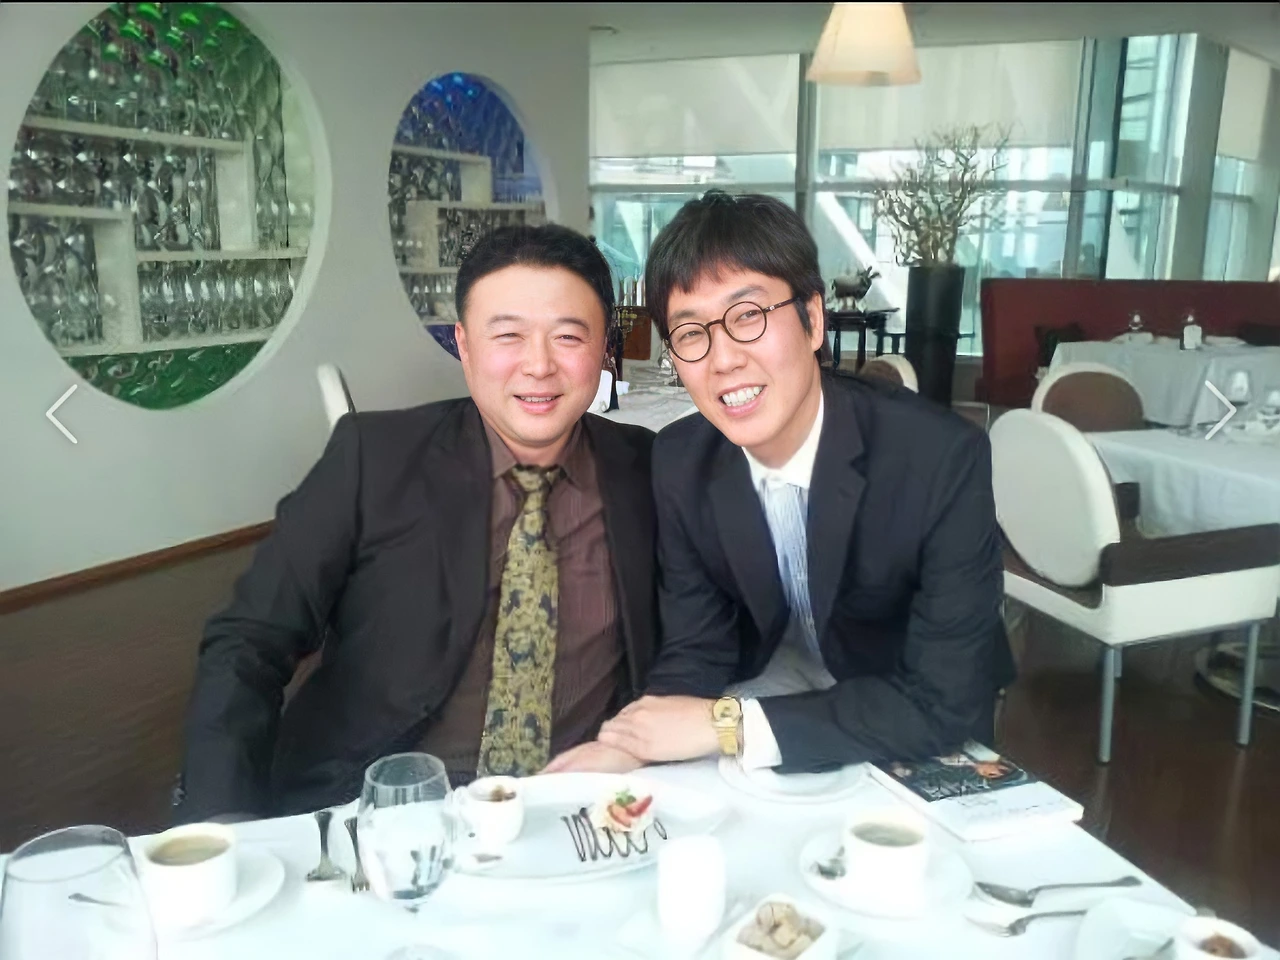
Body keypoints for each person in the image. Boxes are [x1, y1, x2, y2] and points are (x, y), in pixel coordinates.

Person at [176, 224, 657, 822]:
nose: (538, 365)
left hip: (568, 809)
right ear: (464, 345)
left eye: (568, 336)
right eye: (508, 335)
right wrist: (220, 819)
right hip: (380, 808)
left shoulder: (648, 470)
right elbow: (250, 638)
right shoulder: (373, 459)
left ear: (604, 347)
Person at [548, 191, 1014, 776]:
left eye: (748, 316)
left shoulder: (940, 457)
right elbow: (698, 644)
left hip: (907, 716)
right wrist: (631, 746)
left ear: (812, 320)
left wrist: (731, 725)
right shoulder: (683, 459)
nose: (723, 360)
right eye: (690, 333)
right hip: (779, 680)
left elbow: (943, 700)